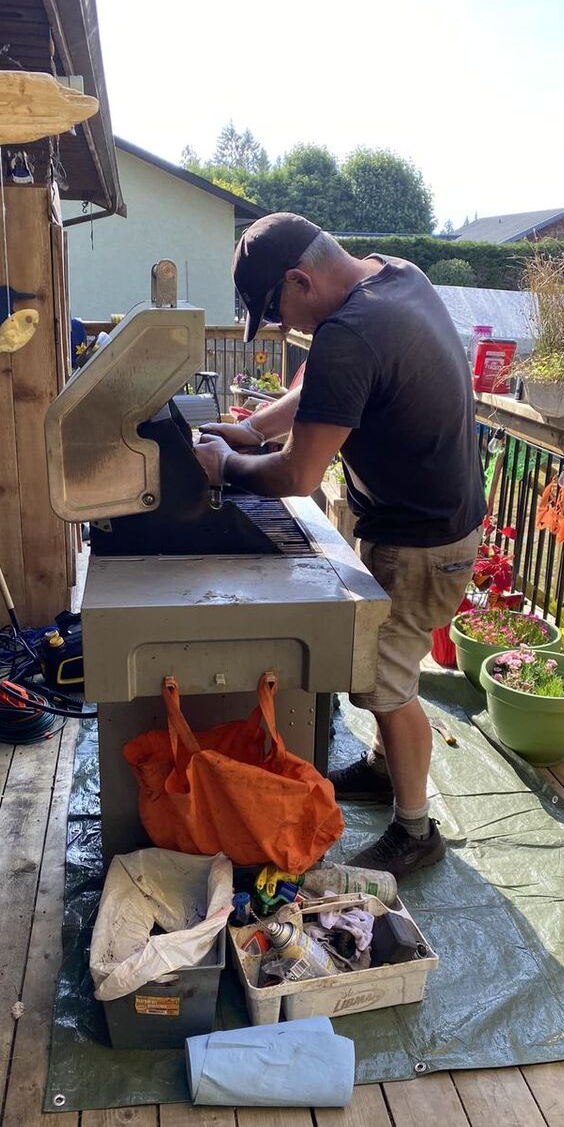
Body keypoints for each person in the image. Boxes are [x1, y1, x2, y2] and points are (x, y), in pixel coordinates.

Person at [194, 213, 485, 879]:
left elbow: (296, 477)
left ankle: (416, 829)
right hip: (434, 523)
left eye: (278, 310)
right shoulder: (392, 275)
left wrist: (224, 466)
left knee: (384, 681)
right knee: (386, 670)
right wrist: (251, 430)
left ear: (300, 279)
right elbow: (321, 388)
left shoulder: (349, 333)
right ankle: (387, 772)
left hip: (422, 541)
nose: (285, 326)